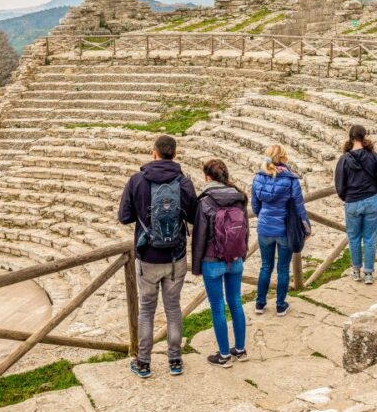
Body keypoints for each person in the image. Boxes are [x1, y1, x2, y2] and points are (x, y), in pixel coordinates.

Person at [118, 135, 197, 379]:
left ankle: (143, 362)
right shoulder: (184, 183)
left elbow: (124, 217)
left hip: (147, 256)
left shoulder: (137, 181)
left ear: (154, 153)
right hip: (176, 256)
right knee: (173, 308)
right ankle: (175, 360)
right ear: (174, 154)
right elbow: (194, 217)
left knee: (147, 310)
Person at [191, 159, 249, 368]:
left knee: (217, 306)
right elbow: (245, 231)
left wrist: (196, 266)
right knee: (235, 301)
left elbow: (199, 236)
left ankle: (224, 355)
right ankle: (240, 350)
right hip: (235, 258)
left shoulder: (205, 201)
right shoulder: (240, 198)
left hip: (211, 261)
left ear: (207, 177)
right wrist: (242, 254)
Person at [251, 144, 310, 316]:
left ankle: (260, 304)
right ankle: (280, 305)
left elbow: (255, 206)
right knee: (283, 268)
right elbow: (299, 207)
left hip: (264, 229)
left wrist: (264, 218)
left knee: (265, 266)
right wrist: (306, 228)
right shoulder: (290, 180)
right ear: (283, 158)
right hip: (284, 228)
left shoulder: (258, 178)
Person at [334, 125, 377, 284]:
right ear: (364, 136)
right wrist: (373, 191)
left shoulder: (344, 159)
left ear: (350, 138)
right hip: (372, 200)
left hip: (352, 202)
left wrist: (348, 197)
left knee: (354, 238)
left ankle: (356, 271)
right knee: (370, 238)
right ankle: (369, 274)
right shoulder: (374, 156)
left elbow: (340, 186)